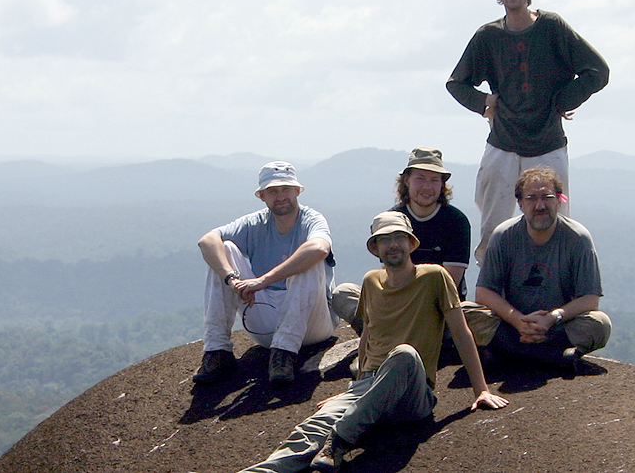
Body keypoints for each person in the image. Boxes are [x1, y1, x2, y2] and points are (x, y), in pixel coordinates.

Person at [237, 211, 508, 473]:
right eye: (384, 239)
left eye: (399, 237)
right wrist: (354, 387)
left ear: (411, 243)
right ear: (375, 248)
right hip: (368, 385)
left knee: (404, 354)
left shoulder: (434, 277)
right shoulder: (371, 281)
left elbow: (460, 332)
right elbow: (368, 335)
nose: (393, 244)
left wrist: (480, 389)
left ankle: (339, 442)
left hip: (411, 393)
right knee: (312, 427)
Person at [446, 0, 609, 264]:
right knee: (493, 226)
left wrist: (564, 100)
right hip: (503, 144)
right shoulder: (488, 36)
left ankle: (560, 280)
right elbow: (457, 83)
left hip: (547, 143)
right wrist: (483, 103)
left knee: (557, 221)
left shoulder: (552, 27)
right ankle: (490, 291)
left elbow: (597, 71)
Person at [193, 161, 339, 387]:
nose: (280, 196)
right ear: (262, 196)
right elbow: (207, 241)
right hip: (266, 317)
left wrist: (263, 280)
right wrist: (233, 280)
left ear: (298, 191)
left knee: (308, 258)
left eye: (286, 189)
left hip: (313, 323)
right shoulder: (255, 223)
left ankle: (285, 352)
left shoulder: (312, 219)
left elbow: (320, 248)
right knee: (225, 250)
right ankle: (217, 350)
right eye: (273, 191)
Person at [463, 167, 611, 367]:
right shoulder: (504, 235)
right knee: (462, 313)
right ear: (520, 204)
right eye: (531, 198)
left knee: (600, 324)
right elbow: (484, 293)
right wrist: (517, 320)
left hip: (557, 326)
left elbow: (590, 299)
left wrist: (552, 318)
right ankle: (551, 358)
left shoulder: (577, 238)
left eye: (547, 197)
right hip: (511, 323)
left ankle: (511, 354)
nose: (540, 205)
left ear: (559, 200)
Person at [332, 147, 471, 334]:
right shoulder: (391, 219)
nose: (427, 187)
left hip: (440, 307)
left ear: (442, 185)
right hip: (398, 301)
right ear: (407, 180)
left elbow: (451, 281)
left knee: (478, 315)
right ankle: (378, 332)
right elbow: (389, 273)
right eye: (420, 179)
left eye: (434, 180)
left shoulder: (456, 222)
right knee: (343, 293)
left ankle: (382, 332)